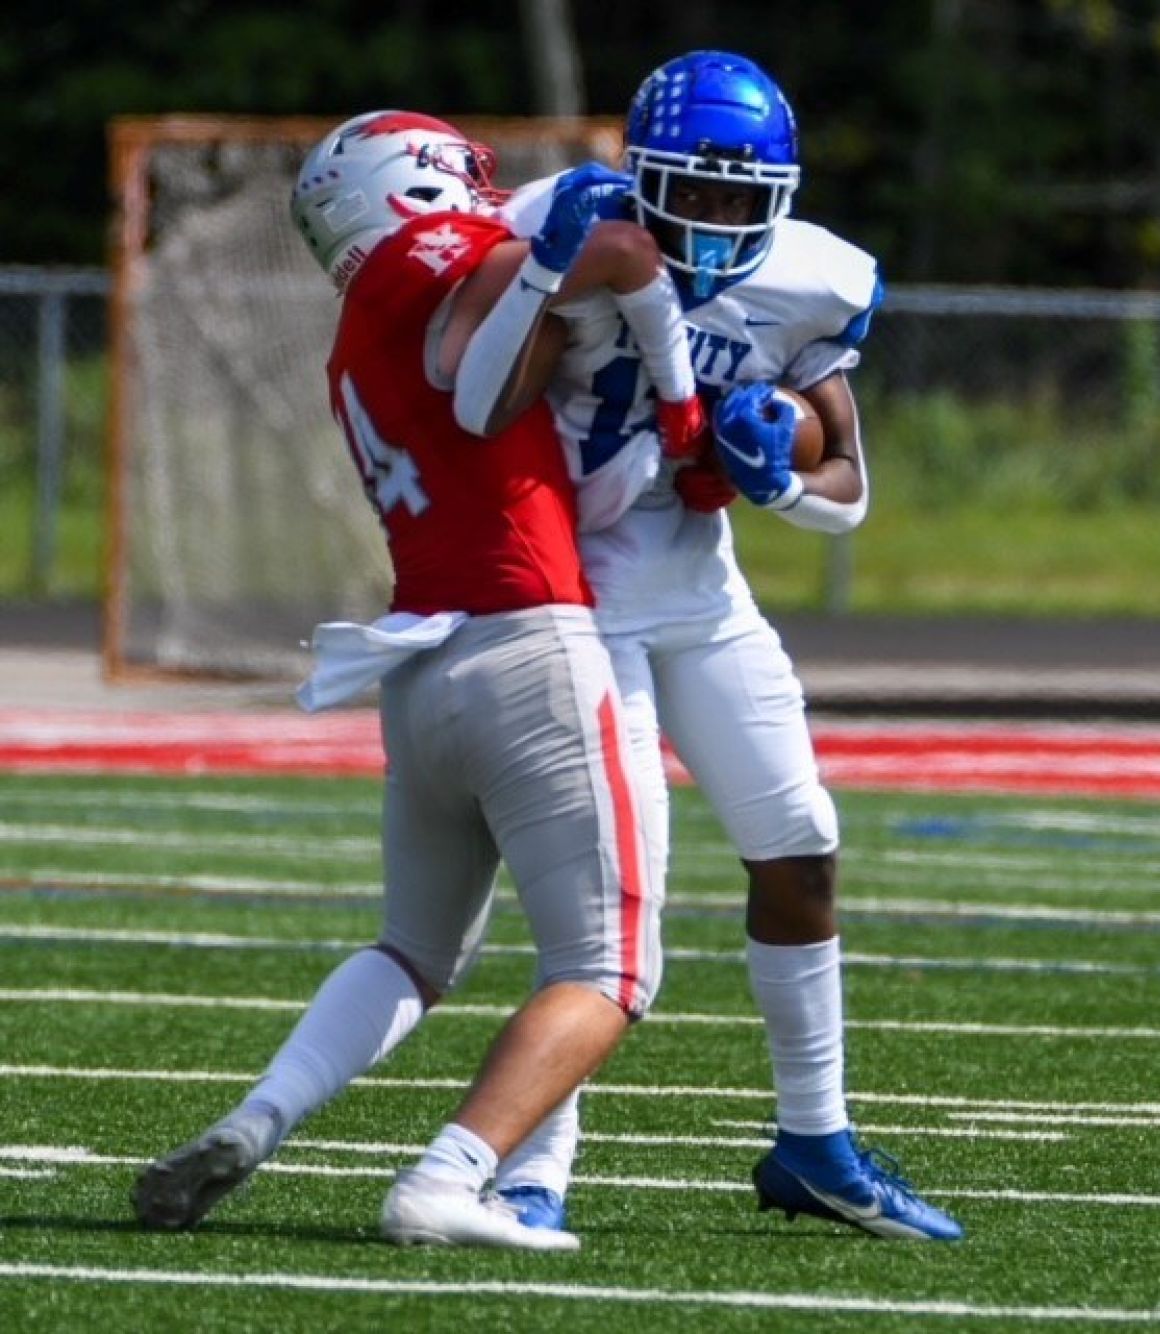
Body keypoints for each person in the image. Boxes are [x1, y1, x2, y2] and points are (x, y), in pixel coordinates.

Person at [130, 109, 703, 1251]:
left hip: (423, 667)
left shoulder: (354, 335)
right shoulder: (423, 260)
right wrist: (669, 354)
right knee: (612, 966)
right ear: (416, 184)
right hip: (529, 646)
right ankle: (451, 1175)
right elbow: (600, 255)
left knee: (412, 949)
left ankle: (259, 1116)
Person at [461, 51, 963, 1242]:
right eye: (693, 189)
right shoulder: (560, 222)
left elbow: (848, 486)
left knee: (802, 847)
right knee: (604, 903)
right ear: (639, 174)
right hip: (574, 602)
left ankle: (816, 1141)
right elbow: (474, 405)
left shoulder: (813, 279)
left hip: (702, 595)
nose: (716, 217)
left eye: (742, 196)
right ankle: (532, 1165)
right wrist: (547, 273)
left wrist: (773, 475)